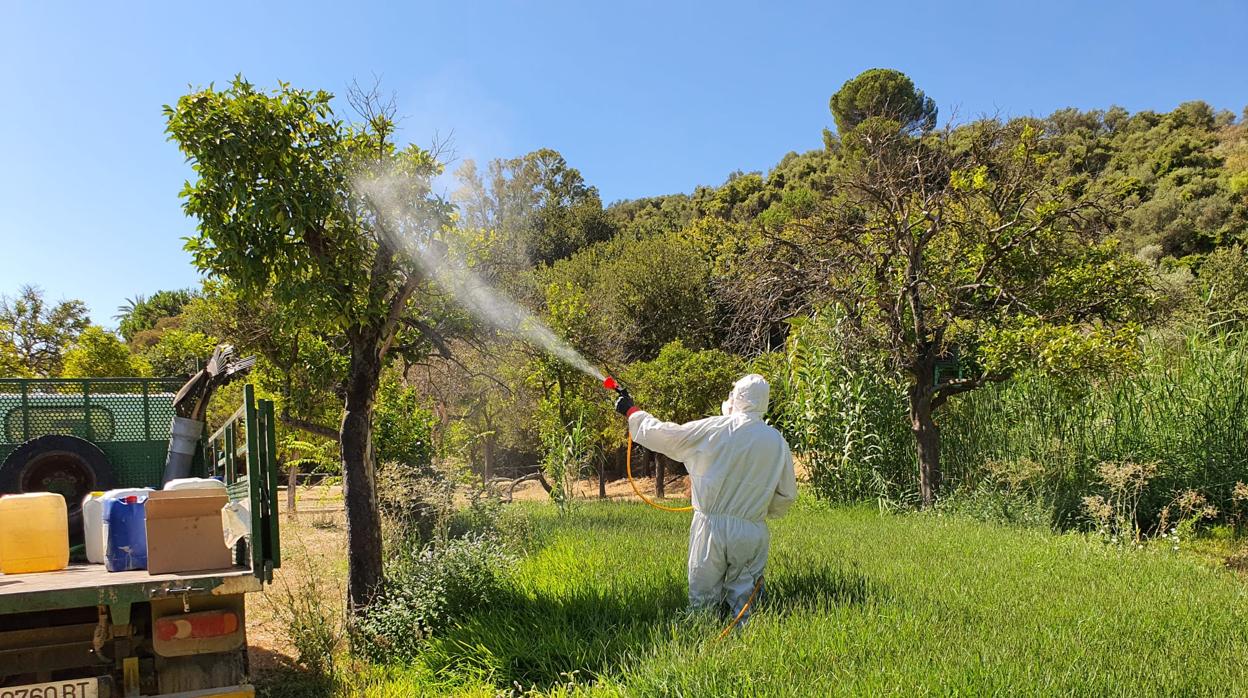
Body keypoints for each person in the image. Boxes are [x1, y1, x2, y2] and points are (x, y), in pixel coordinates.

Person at [615, 374, 797, 623]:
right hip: (752, 531)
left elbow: (667, 435)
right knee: (745, 602)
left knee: (702, 600)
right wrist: (756, 513)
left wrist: (633, 412)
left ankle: (703, 638)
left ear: (737, 398)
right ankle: (745, 643)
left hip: (710, 528)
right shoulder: (777, 442)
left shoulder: (714, 428)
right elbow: (786, 495)